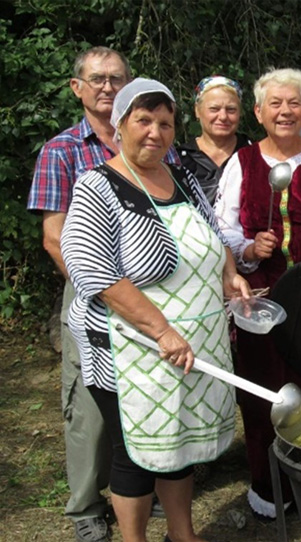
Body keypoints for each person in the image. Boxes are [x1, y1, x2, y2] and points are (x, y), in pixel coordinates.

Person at [60, 78, 250, 542]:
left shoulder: (180, 175)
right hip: (132, 349)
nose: (155, 132)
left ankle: (182, 535)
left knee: (178, 443)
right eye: (143, 120)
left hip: (190, 346)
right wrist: (161, 330)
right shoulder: (98, 186)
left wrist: (229, 273)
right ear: (120, 125)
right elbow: (95, 272)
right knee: (137, 453)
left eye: (165, 123)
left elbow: (212, 232)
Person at [214, 67, 301, 519]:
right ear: (259, 112)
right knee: (263, 393)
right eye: (276, 104)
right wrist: (248, 248)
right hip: (258, 300)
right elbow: (222, 224)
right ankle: (271, 489)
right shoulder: (243, 162)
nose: (286, 111)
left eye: (294, 103)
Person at [28, 46, 136, 542]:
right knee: (91, 404)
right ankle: (86, 506)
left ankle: (131, 490)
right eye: (96, 79)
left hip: (145, 289)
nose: (107, 87)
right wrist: (100, 291)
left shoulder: (148, 138)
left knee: (137, 391)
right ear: (77, 88)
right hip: (92, 296)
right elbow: (54, 238)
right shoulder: (62, 150)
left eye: (116, 78)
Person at [177, 75, 252, 205]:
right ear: (197, 111)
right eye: (214, 109)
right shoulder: (179, 160)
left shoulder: (254, 156)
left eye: (231, 110)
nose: (223, 116)